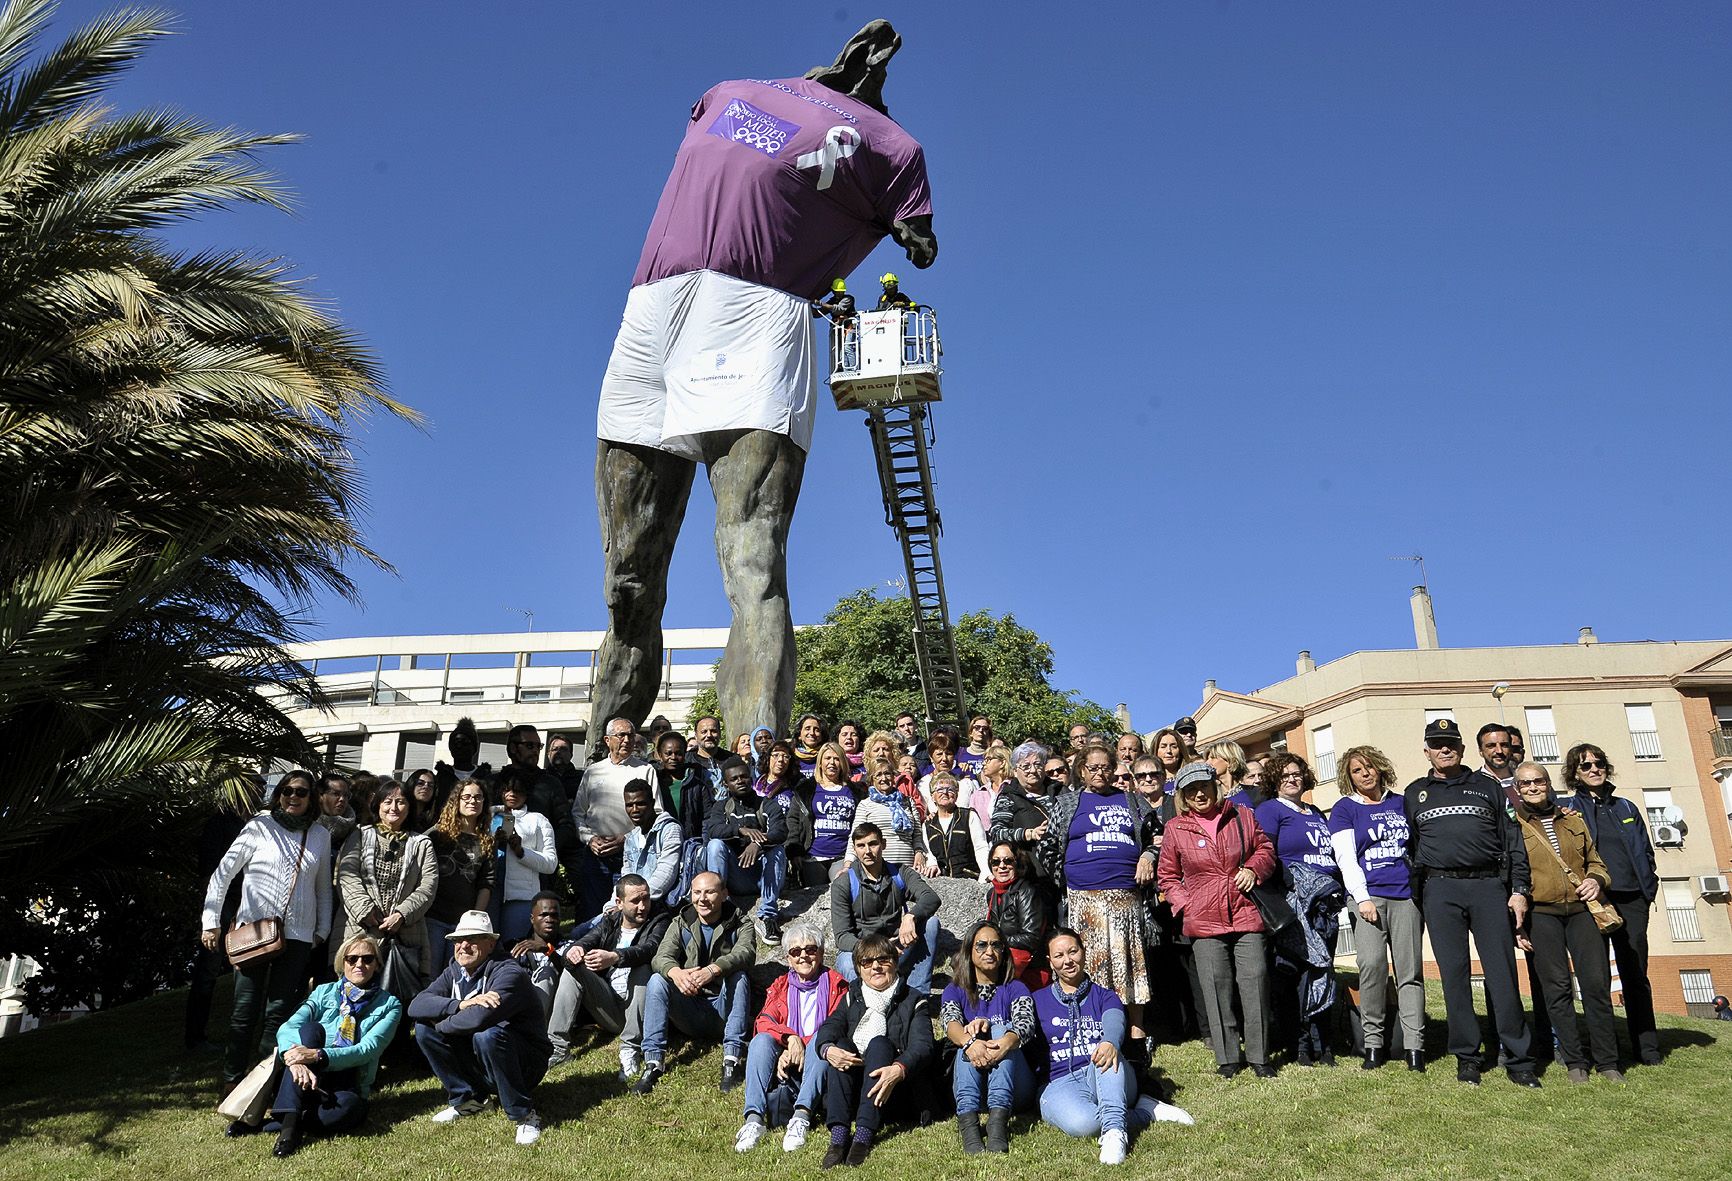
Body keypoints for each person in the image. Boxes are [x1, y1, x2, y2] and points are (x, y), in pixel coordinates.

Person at [1403, 717, 1537, 1087]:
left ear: (1463, 749)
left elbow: (1512, 840)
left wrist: (1518, 888)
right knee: (1454, 977)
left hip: (1488, 887)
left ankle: (1519, 1058)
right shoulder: (1415, 793)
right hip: (1440, 890)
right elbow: (1409, 847)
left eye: (1451, 743)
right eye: (1437, 743)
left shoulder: (1488, 787)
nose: (1444, 749)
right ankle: (1467, 1057)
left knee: (1502, 974)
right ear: (1427, 750)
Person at [202, 770, 333, 1087]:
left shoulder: (320, 835)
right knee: (244, 1011)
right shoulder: (258, 827)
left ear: (311, 798)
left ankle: (261, 1081)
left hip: (299, 937)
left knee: (279, 1013)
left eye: (301, 792)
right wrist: (211, 923)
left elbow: (323, 889)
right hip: (254, 934)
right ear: (278, 794)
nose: (293, 797)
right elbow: (222, 875)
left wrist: (322, 930)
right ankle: (232, 1081)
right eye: (287, 790)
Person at [1035, 744, 1156, 1063]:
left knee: (1129, 966)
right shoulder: (1067, 802)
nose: (1100, 773)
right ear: (1082, 771)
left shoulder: (1131, 800)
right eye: (1093, 768)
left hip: (1125, 898)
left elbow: (1157, 836)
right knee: (1093, 967)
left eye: (1106, 768)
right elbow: (1047, 849)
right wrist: (1068, 880)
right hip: (1084, 899)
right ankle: (1100, 1032)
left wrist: (1147, 855)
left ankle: (1135, 1034)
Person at [1156, 761, 1277, 1078]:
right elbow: (1167, 877)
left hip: (1246, 912)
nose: (1199, 793)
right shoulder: (1175, 829)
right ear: (1182, 795)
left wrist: (1253, 869)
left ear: (1215, 785)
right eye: (1191, 789)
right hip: (1203, 919)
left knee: (1255, 981)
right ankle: (1227, 1057)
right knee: (1215, 986)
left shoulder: (1242, 816)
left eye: (1204, 785)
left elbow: (1265, 849)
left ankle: (1260, 1056)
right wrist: (1187, 905)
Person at [1029, 929, 1189, 1167]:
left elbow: (1115, 1022)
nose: (1068, 960)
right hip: (1059, 1082)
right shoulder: (1037, 1000)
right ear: (1050, 962)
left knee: (1106, 1054)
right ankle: (1146, 1111)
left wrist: (1110, 1041)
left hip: (1106, 1073)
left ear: (1084, 952)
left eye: (1073, 951)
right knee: (1085, 1125)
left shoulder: (1104, 995)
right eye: (1059, 955)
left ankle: (1115, 1133)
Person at [1511, 762, 1622, 1083]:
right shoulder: (1514, 827)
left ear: (1549, 784)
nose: (1533, 787)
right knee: (1557, 989)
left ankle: (1608, 1062)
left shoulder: (1573, 819)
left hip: (1582, 911)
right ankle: (1575, 1062)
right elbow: (1512, 878)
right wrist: (1516, 925)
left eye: (1539, 781)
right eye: (1526, 784)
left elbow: (1596, 861)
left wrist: (1596, 880)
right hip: (1541, 914)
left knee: (1596, 985)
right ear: (1518, 790)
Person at [409, 909, 551, 1145]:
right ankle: (468, 1101)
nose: (463, 946)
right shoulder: (455, 970)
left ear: (491, 943)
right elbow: (417, 1005)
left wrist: (442, 1024)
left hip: (526, 1062)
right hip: (484, 1055)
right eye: (458, 940)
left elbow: (478, 1020)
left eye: (472, 939)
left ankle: (524, 1115)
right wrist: (461, 1004)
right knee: (424, 1028)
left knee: (487, 1035)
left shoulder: (509, 973)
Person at [252, 934, 402, 1156]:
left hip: (345, 1079)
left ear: (377, 965)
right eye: (352, 959)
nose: (359, 964)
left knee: (350, 1108)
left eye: (367, 959)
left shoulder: (390, 1005)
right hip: (305, 1075)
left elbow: (368, 1049)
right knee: (312, 1030)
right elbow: (288, 1027)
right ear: (342, 963)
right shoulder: (324, 991)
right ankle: (289, 1131)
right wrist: (293, 1059)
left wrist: (317, 1055)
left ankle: (269, 1124)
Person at [1559, 742, 1661, 1067]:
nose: (1594, 769)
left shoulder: (1626, 808)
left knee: (1635, 976)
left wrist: (1649, 888)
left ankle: (1648, 1050)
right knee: (1596, 978)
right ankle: (1607, 1052)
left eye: (1598, 763)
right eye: (1585, 765)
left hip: (1632, 900)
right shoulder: (1567, 810)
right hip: (1594, 902)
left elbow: (1646, 851)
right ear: (1574, 773)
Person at [1327, 745, 1424, 1071]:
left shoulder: (1401, 803)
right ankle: (1373, 1043)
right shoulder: (1344, 809)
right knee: (1371, 967)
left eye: (1369, 766)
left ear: (1380, 767)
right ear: (1348, 776)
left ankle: (1414, 1047)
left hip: (1405, 898)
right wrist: (1362, 897)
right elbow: (1345, 858)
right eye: (1357, 770)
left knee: (1410, 973)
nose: (1365, 773)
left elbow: (1416, 847)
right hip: (1367, 897)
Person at [812, 932, 935, 1169]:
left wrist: (899, 1068)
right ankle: (838, 1138)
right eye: (867, 962)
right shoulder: (851, 997)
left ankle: (863, 1136)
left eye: (883, 960)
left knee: (880, 1043)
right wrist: (828, 1050)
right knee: (842, 1046)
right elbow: (828, 1028)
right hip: (855, 1088)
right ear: (859, 969)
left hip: (894, 1090)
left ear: (895, 963)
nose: (875, 967)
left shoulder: (914, 999)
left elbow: (923, 1046)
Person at [1254, 752, 1344, 1067]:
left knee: (1324, 972)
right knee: (1301, 975)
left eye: (1297, 773)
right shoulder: (1270, 810)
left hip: (1325, 906)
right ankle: (1302, 1045)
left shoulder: (1316, 812)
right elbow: (1265, 855)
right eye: (1285, 775)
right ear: (1274, 781)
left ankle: (1326, 1042)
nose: (1292, 779)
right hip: (1295, 906)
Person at [635, 871, 756, 1095]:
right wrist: (675, 973)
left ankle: (732, 1058)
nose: (702, 899)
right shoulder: (681, 921)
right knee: (657, 981)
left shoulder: (740, 921)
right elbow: (661, 957)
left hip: (723, 1008)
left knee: (739, 977)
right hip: (689, 1006)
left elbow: (746, 953)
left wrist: (714, 969)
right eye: (697, 892)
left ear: (724, 894)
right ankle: (653, 1062)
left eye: (710, 892)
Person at [734, 922, 846, 1154]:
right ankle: (754, 1120)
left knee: (820, 1038)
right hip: (787, 1054)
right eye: (796, 952)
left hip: (818, 1057)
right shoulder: (781, 986)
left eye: (810, 950)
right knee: (760, 1040)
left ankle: (801, 1117)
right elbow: (764, 1020)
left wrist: (801, 1044)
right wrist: (790, 1039)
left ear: (822, 953)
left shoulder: (837, 985)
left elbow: (837, 1025)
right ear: (788, 958)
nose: (803, 956)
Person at [547, 874, 671, 1077]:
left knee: (643, 967)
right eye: (635, 901)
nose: (642, 906)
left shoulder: (660, 920)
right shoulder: (610, 922)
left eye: (646, 898)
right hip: (610, 1007)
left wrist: (614, 957)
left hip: (643, 1011)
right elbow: (586, 940)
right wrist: (576, 949)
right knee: (573, 970)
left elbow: (650, 949)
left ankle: (631, 1048)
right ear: (619, 903)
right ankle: (558, 1048)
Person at [335, 779, 439, 998]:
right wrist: (366, 911)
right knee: (351, 998)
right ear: (378, 805)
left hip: (406, 934)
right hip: (360, 929)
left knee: (399, 1001)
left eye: (401, 802)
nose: (394, 807)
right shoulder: (359, 835)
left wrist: (402, 914)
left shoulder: (421, 843)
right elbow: (346, 875)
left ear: (410, 807)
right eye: (388, 801)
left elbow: (428, 886)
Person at [941, 920, 1035, 1154]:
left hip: (1014, 1089)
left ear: (1004, 951)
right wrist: (971, 1042)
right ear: (969, 951)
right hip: (971, 1083)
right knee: (967, 1036)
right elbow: (950, 1023)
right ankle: (970, 1129)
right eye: (981, 945)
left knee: (1003, 1029)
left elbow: (1026, 1024)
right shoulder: (955, 989)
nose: (989, 952)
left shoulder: (1015, 987)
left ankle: (996, 1126)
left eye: (996, 945)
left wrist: (1004, 1042)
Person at [830, 822, 943, 995]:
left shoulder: (900, 873)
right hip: (865, 952)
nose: (867, 851)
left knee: (931, 924)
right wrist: (880, 949)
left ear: (883, 844)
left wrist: (910, 917)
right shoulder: (843, 884)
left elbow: (931, 898)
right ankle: (866, 1004)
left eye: (873, 844)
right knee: (845, 962)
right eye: (861, 846)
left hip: (898, 948)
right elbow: (842, 937)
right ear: (854, 849)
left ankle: (917, 996)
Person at [187, 783, 256, 1053]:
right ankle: (196, 1037)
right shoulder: (220, 822)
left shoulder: (256, 821)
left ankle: (238, 1035)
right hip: (225, 901)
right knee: (208, 969)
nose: (255, 794)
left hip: (247, 901)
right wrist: (212, 917)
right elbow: (209, 870)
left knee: (247, 965)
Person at [573, 716, 652, 922]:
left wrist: (626, 839)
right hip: (595, 853)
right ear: (608, 740)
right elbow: (578, 813)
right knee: (591, 911)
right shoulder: (593, 771)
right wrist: (589, 839)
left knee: (624, 910)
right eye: (621, 735)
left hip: (629, 852)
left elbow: (655, 815)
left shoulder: (645, 770)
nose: (627, 740)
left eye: (631, 735)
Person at [705, 754, 789, 944]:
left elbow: (781, 831)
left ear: (751, 779)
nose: (740, 781)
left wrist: (757, 843)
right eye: (734, 779)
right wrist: (741, 830)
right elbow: (713, 829)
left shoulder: (766, 803)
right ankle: (719, 908)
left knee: (777, 851)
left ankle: (768, 917)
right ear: (726, 785)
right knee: (715, 845)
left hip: (763, 874)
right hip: (736, 875)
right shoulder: (721, 807)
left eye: (743, 776)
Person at [426, 779, 495, 963]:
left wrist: (472, 921)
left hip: (463, 925)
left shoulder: (486, 841)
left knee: (456, 974)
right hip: (433, 917)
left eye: (478, 797)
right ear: (457, 801)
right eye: (467, 797)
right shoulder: (437, 835)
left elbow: (486, 883)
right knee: (430, 974)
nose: (472, 801)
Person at [490, 766, 558, 943]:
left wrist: (521, 852)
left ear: (527, 793)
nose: (512, 794)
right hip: (487, 894)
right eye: (507, 789)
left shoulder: (537, 820)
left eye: (518, 789)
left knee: (513, 949)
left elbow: (550, 864)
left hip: (520, 897)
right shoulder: (487, 815)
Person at [985, 841, 1049, 988]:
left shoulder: (1026, 891)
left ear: (1017, 863)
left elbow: (1032, 938)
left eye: (1008, 861)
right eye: (995, 862)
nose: (1001, 866)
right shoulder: (992, 894)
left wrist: (998, 941)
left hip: (1028, 968)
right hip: (1001, 956)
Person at [802, 742, 864, 885]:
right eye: (828, 758)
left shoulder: (855, 791)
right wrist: (796, 852)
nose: (832, 763)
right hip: (813, 857)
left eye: (836, 759)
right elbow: (794, 821)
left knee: (842, 889)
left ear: (842, 763)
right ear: (820, 763)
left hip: (843, 855)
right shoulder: (806, 789)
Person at [849, 760, 924, 869]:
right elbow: (855, 837)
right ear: (871, 780)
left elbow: (917, 833)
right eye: (878, 775)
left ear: (894, 776)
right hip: (879, 869)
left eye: (887, 773)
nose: (883, 778)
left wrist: (919, 851)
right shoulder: (866, 804)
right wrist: (848, 863)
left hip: (909, 868)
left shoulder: (907, 801)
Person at [916, 772, 990, 881]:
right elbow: (930, 855)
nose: (945, 793)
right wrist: (932, 865)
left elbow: (981, 847)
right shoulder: (928, 825)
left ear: (956, 794)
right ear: (932, 796)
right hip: (942, 882)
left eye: (950, 789)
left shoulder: (969, 816)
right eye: (940, 789)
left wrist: (986, 874)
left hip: (971, 879)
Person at [623, 778, 682, 905]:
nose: (634, 810)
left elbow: (666, 874)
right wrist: (612, 905)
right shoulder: (631, 838)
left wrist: (635, 900)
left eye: (640, 804)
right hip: (630, 904)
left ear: (652, 803)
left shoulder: (669, 829)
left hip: (658, 905)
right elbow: (625, 880)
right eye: (629, 805)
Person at [1477, 723, 1518, 800]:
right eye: (1491, 746)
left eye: (1504, 745)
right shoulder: (1472, 784)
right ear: (1480, 751)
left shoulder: (1524, 781)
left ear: (1511, 749)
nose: (1499, 751)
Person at [405, 769, 442, 834]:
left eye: (430, 785)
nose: (425, 787)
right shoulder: (401, 813)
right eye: (420, 783)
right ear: (412, 784)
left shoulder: (437, 818)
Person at [793, 713, 828, 778]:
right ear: (799, 735)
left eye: (816, 730)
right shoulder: (790, 757)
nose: (812, 733)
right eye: (807, 728)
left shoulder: (827, 756)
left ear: (822, 736)